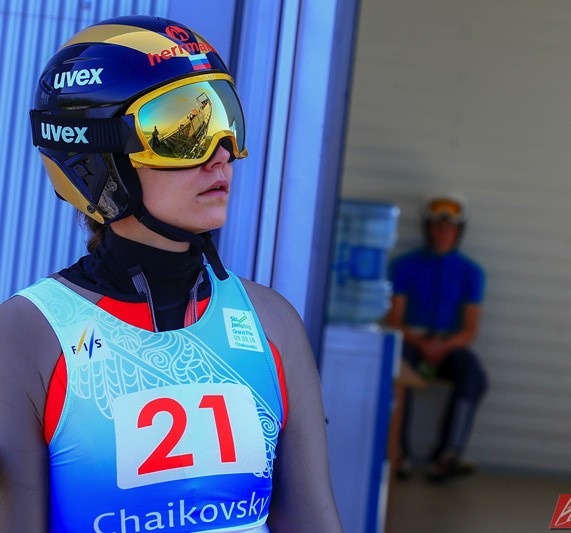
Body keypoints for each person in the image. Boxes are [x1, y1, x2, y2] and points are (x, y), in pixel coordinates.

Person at [0, 15, 342, 533]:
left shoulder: (273, 322)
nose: (221, 154)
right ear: (99, 157)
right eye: (182, 133)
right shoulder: (26, 336)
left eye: (225, 121)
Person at [385, 195, 488, 482]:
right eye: (437, 226)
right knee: (397, 369)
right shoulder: (403, 265)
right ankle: (398, 453)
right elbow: (395, 320)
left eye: (450, 227)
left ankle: (448, 455)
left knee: (473, 375)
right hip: (412, 341)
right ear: (427, 228)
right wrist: (422, 344)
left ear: (459, 231)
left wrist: (442, 346)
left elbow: (470, 330)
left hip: (448, 346)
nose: (443, 232)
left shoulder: (472, 272)